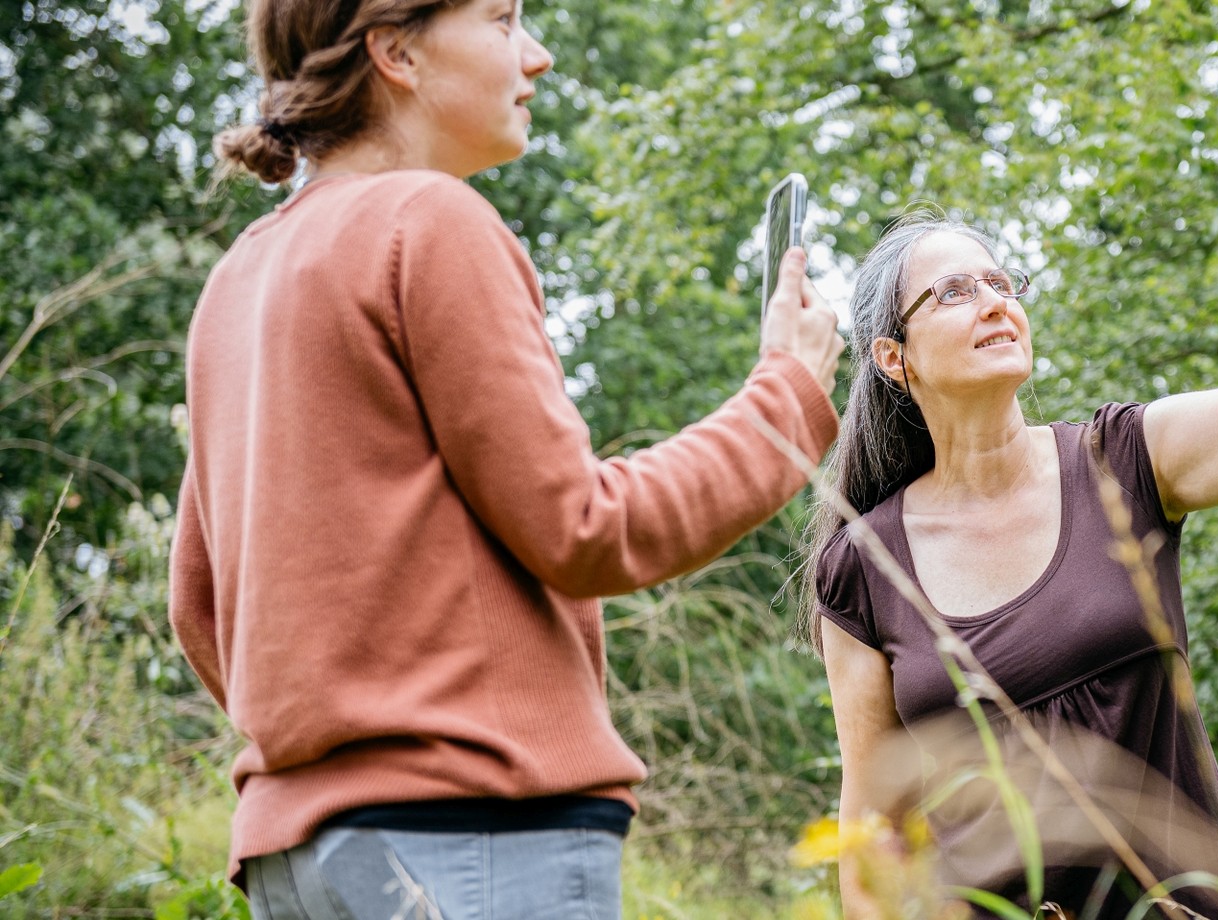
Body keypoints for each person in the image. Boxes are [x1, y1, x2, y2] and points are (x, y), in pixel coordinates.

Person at [165, 0, 846, 913]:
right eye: (503, 19)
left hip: (301, 857)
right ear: (395, 51)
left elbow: (199, 608)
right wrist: (787, 395)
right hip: (474, 838)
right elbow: (587, 529)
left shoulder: (240, 274)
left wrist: (336, 733)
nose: (539, 55)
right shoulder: (431, 221)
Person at [800, 37, 1218, 919]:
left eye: (1001, 281)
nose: (995, 299)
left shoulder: (1123, 462)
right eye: (953, 293)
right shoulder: (865, 567)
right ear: (892, 358)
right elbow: (874, 827)